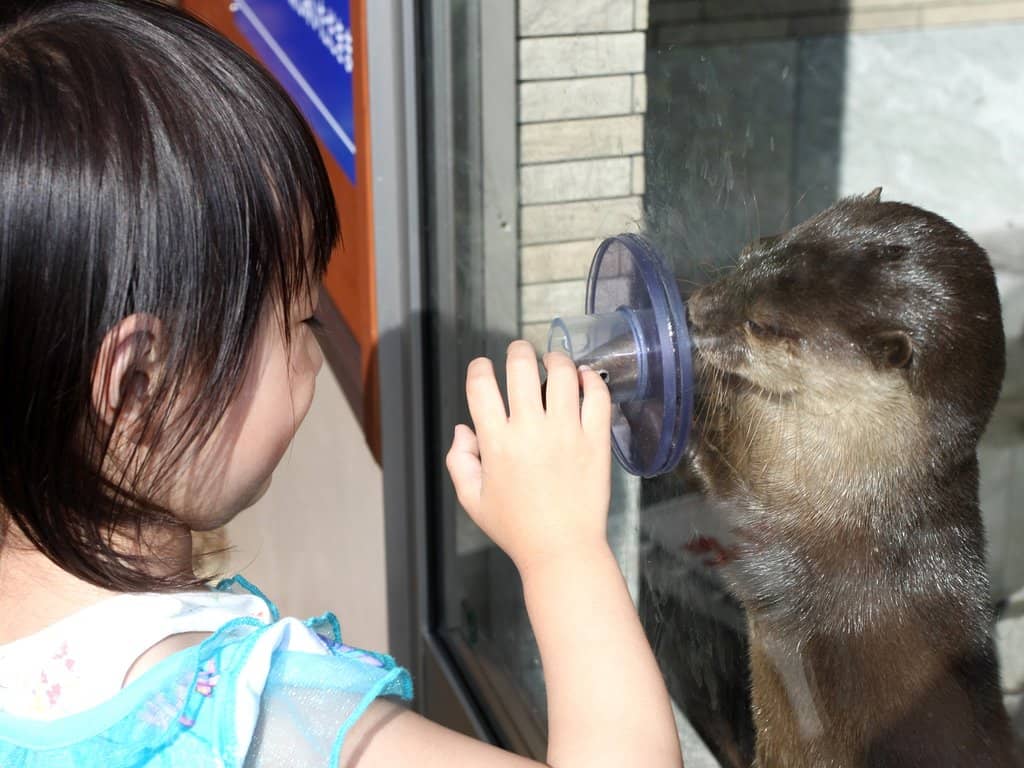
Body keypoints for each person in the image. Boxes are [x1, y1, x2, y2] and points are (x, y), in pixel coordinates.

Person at [0, 1, 683, 766]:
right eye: (302, 320)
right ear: (137, 387)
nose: (315, 351)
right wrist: (563, 550)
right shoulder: (251, 720)